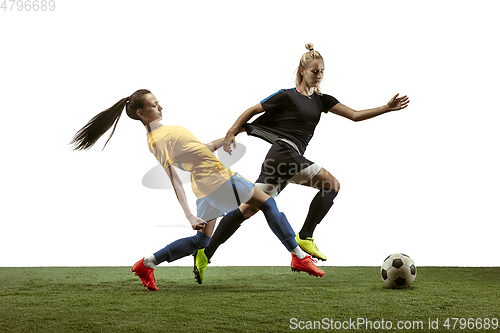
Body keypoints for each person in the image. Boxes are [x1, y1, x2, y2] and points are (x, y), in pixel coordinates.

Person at [70, 89, 324, 291]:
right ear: (142, 113)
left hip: (205, 186)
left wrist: (224, 140)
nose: (160, 106)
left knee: (201, 240)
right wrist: (188, 215)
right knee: (267, 202)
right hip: (218, 180)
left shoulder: (164, 133)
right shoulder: (158, 140)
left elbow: (196, 151)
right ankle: (298, 255)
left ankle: (146, 264)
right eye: (154, 104)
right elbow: (173, 178)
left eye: (158, 101)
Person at [195, 43, 410, 275]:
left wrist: (386, 108)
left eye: (322, 71)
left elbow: (355, 116)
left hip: (282, 160)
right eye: (314, 71)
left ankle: (205, 253)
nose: (318, 76)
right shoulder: (286, 96)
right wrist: (230, 133)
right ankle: (305, 236)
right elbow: (251, 111)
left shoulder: (322, 100)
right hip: (283, 154)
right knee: (332, 184)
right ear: (302, 71)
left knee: (247, 210)